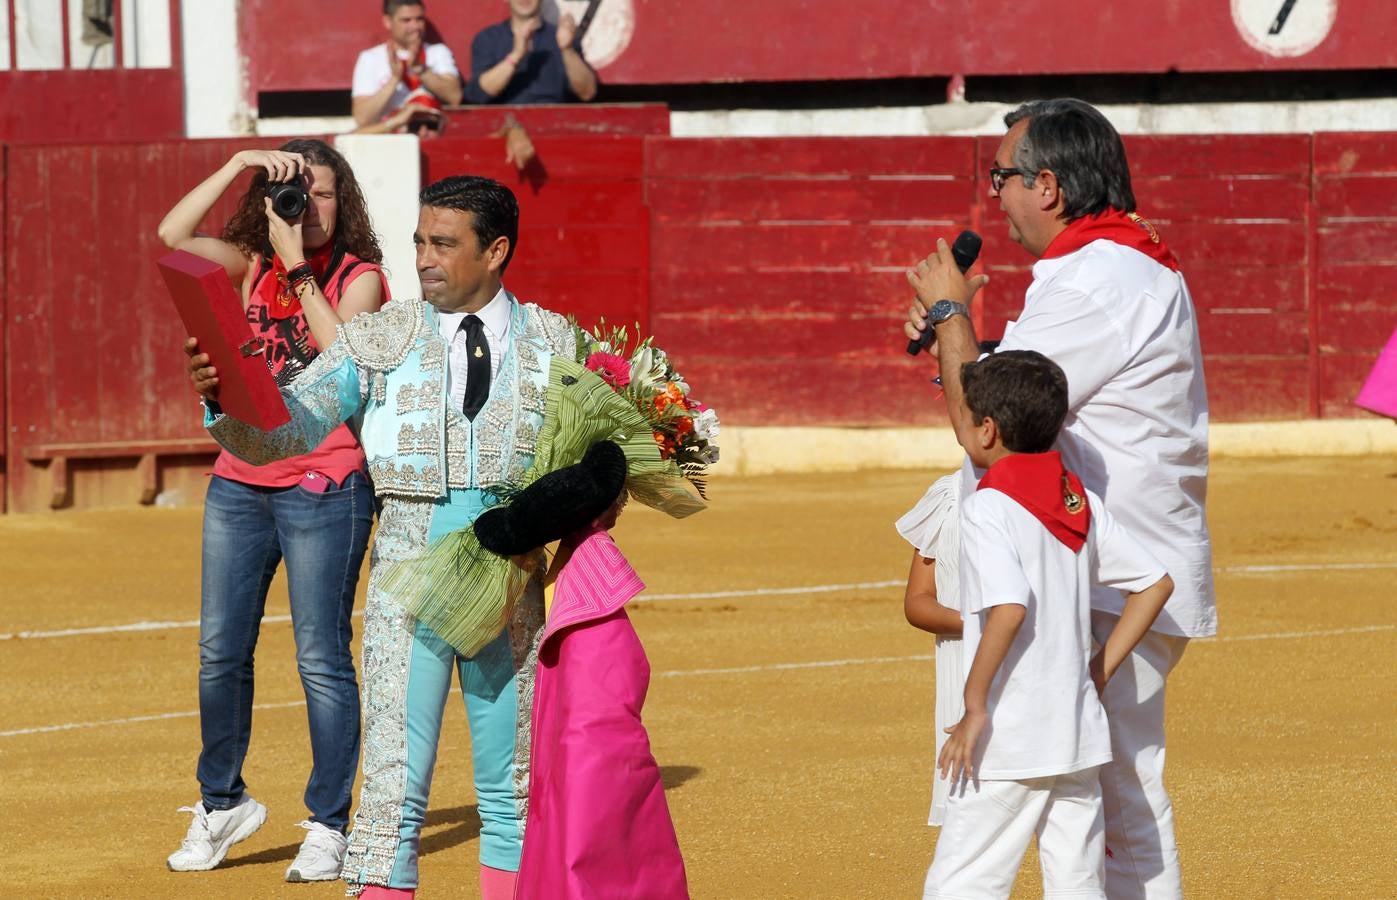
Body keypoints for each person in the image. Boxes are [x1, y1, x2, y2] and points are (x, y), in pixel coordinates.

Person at [187, 174, 579, 900]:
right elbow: (288, 429)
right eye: (419, 242)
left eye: (444, 244)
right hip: (406, 578)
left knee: (512, 788)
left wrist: (582, 499)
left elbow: (592, 464)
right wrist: (220, 400)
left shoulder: (556, 342)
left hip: (510, 586)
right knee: (392, 788)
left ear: (495, 251)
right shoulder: (381, 337)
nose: (424, 258)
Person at [905, 97, 1213, 899]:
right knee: (1097, 807)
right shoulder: (1111, 265)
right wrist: (956, 330)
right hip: (1104, 559)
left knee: (1104, 799)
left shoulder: (1092, 278)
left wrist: (948, 315)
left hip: (1102, 575)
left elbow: (983, 420)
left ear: (1046, 185)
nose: (995, 196)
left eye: (1001, 177)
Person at [157, 139, 387, 880]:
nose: (306, 206)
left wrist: (294, 262)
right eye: (293, 192)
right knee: (219, 652)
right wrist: (238, 167)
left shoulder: (362, 278)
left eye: (319, 193)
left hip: (325, 482)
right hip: (241, 477)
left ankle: (328, 823)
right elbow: (170, 240)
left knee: (320, 658)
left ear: (340, 200)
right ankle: (221, 803)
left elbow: (346, 362)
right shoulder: (247, 263)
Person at [923, 350, 1173, 899]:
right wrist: (1099, 671)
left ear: (987, 430)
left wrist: (974, 705)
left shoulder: (987, 508)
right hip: (1078, 729)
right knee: (1078, 882)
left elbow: (1009, 608)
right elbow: (1155, 583)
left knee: (965, 881)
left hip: (1010, 734)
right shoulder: (1078, 499)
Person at [471, 441, 690, 898]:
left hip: (584, 724)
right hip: (590, 724)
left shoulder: (579, 562)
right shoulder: (587, 561)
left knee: (576, 781)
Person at [895, 472, 965, 829]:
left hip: (1037, 676)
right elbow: (918, 602)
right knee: (968, 821)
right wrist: (986, 626)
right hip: (964, 678)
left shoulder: (1061, 492)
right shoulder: (950, 495)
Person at [466, 0, 599, 170]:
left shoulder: (561, 36)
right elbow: (477, 94)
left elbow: (587, 92)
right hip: (501, 145)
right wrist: (515, 56)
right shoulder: (488, 39)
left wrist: (567, 49)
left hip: (556, 144)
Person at [352, 1, 464, 133]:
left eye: (419, 19)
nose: (415, 26)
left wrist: (420, 70)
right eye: (406, 20)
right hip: (390, 138)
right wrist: (394, 80)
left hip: (432, 135)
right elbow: (362, 119)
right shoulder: (371, 58)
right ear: (388, 21)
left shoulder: (437, 51)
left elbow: (455, 98)